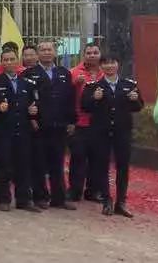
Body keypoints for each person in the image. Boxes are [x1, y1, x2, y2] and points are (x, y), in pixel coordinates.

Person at [82, 55, 143, 218]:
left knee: (123, 167)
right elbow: (85, 106)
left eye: (112, 63)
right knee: (102, 166)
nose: (109, 66)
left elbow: (139, 106)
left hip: (122, 132)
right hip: (101, 133)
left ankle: (121, 202)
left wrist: (135, 100)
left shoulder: (129, 85)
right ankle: (106, 201)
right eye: (106, 63)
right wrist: (94, 99)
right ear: (101, 67)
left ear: (118, 65)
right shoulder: (93, 86)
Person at [0, 48, 40, 212]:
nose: (9, 62)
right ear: (1, 62)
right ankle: (3, 199)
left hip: (23, 130)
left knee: (23, 165)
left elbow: (33, 105)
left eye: (12, 59)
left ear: (17, 61)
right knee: (4, 165)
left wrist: (33, 111)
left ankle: (24, 200)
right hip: (3, 131)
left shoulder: (27, 83)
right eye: (5, 60)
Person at [23, 39, 76, 210]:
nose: (46, 52)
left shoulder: (64, 73)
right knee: (38, 162)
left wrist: (71, 121)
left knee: (57, 163)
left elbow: (70, 99)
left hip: (59, 125)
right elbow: (25, 99)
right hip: (39, 126)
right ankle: (40, 196)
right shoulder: (29, 74)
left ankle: (59, 198)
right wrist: (30, 118)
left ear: (55, 52)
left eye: (49, 49)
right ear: (38, 54)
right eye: (43, 50)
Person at [67, 43, 103, 202]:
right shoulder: (74, 72)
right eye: (89, 53)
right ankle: (74, 191)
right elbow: (65, 97)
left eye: (95, 52)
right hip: (79, 123)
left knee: (97, 159)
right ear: (84, 55)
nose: (92, 55)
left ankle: (93, 191)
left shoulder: (105, 73)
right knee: (78, 159)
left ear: (100, 54)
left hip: (99, 124)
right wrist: (74, 84)